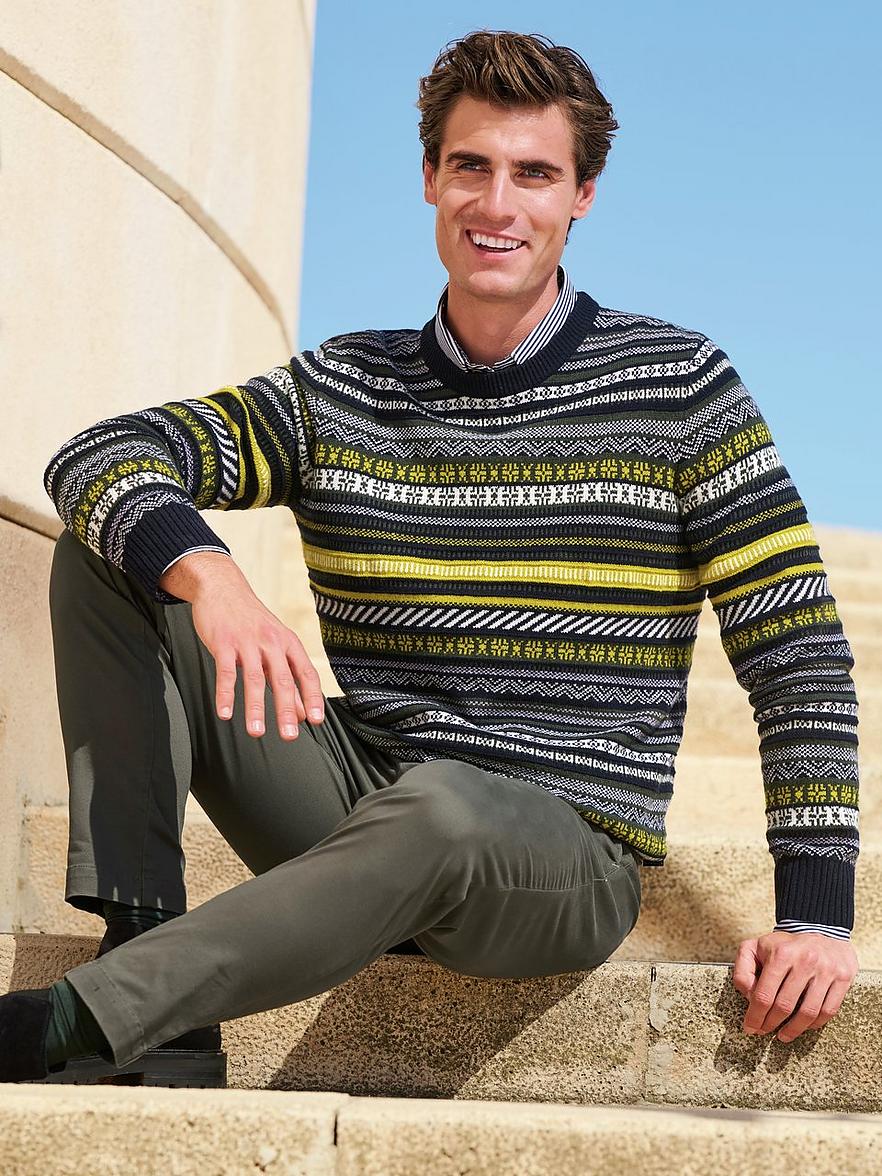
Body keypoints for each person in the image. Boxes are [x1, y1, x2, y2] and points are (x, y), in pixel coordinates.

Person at [0, 29, 860, 1087]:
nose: (497, 204)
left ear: (582, 196)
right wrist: (210, 576)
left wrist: (817, 914)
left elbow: (797, 655)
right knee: (116, 553)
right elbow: (99, 454)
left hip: (561, 858)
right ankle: (148, 962)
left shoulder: (681, 389)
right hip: (359, 800)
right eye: (470, 166)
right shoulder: (344, 388)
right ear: (429, 178)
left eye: (534, 174)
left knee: (446, 804)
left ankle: (71, 1024)